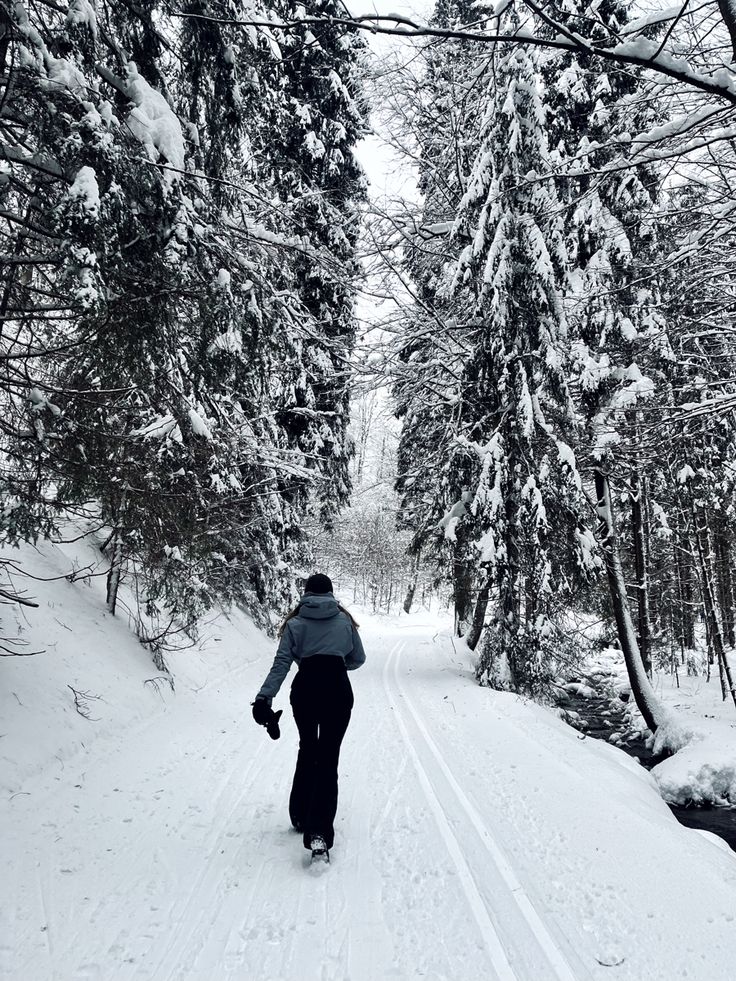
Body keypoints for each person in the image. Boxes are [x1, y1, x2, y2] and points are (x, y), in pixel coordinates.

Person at [252, 573, 365, 859]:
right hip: (337, 690)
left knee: (308, 748)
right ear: (330, 593)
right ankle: (318, 834)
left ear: (306, 593)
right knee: (328, 757)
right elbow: (358, 658)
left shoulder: (294, 623)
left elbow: (281, 664)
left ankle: (300, 813)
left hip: (305, 691)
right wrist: (335, 660)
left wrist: (264, 697)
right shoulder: (344, 621)